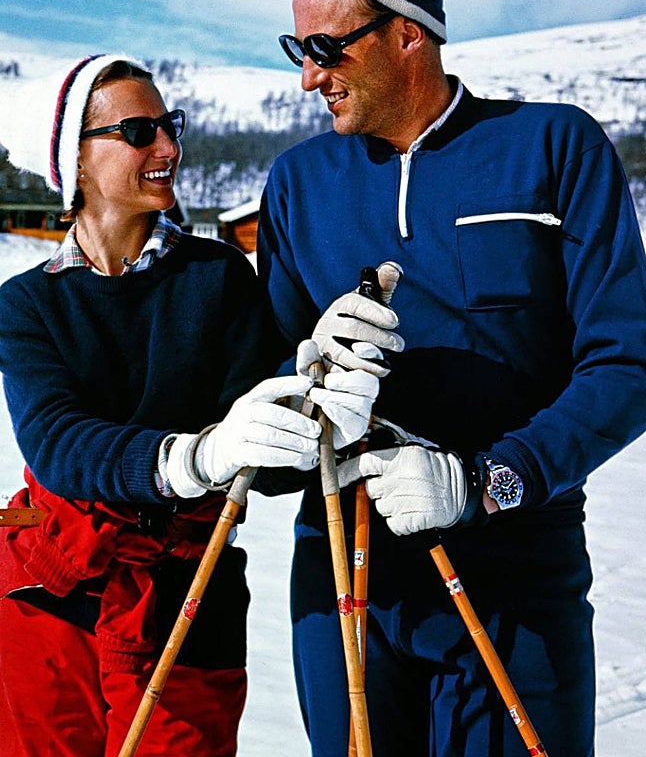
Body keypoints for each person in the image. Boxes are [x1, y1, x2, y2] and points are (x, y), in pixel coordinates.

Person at [257, 0, 646, 756]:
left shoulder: (552, 147)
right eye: (297, 48)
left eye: (326, 48)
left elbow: (628, 364)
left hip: (516, 576)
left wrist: (485, 482)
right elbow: (265, 398)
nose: (308, 76)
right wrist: (305, 377)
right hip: (345, 581)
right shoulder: (296, 183)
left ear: (408, 33)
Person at [0, 54, 379, 757]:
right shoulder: (27, 303)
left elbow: (264, 462)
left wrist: (319, 414)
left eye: (168, 126)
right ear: (74, 158)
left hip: (187, 595)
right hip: (52, 591)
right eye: (138, 131)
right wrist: (191, 457)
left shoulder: (217, 277)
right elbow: (56, 442)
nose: (168, 148)